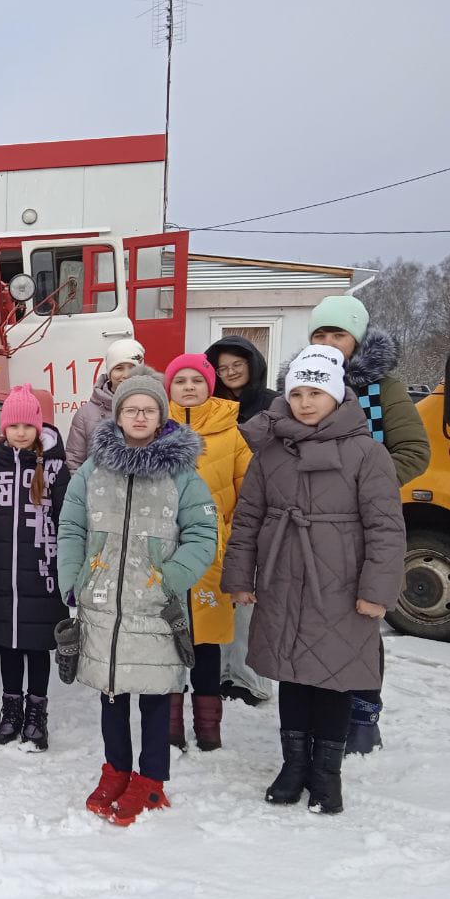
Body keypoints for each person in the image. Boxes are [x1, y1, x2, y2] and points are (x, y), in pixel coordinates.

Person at [223, 345, 405, 813]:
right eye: (297, 392)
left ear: (337, 394)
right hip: (283, 578)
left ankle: (327, 773)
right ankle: (293, 765)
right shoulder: (270, 452)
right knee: (293, 678)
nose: (305, 402)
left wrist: (376, 591)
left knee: (334, 678)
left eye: (316, 392)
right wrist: (241, 576)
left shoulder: (368, 453)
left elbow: (386, 528)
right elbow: (247, 519)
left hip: (342, 586)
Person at [57, 367, 217, 826]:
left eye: (148, 409)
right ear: (119, 415)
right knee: (110, 694)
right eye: (131, 408)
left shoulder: (183, 472)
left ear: (161, 414)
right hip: (103, 600)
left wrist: (173, 577)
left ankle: (151, 781)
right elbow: (71, 526)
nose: (140, 416)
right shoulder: (93, 469)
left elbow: (203, 531)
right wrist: (75, 577)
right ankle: (116, 770)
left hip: (154, 606)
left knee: (152, 697)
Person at [281, 296, 430, 753]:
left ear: (357, 339)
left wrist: (365, 484)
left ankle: (364, 714)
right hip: (307, 528)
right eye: (320, 335)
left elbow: (414, 452)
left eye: (338, 335)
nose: (329, 343)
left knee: (361, 619)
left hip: (363, 525)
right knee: (312, 621)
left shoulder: (383, 388)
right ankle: (314, 716)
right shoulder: (297, 387)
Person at [0, 383, 71, 752]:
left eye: (27, 426)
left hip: (42, 573)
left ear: (38, 427)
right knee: (10, 649)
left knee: (37, 646)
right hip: (4, 575)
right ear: (4, 429)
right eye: (13, 426)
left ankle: (36, 714)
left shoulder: (55, 468)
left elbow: (68, 519)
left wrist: (67, 568)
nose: (19, 432)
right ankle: (11, 711)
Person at [164, 354, 251, 751]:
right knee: (166, 639)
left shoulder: (231, 432)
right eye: (179, 380)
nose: (188, 387)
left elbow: (248, 489)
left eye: (196, 380)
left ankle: (208, 725)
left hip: (211, 556)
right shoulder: (156, 428)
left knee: (206, 642)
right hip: (164, 554)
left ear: (210, 385)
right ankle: (168, 723)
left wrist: (229, 535)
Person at [204, 335, 278, 707]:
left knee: (248, 596)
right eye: (222, 367)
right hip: (219, 508)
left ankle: (248, 677)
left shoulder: (271, 404)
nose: (230, 372)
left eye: (237, 364)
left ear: (252, 364)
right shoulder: (210, 405)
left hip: (258, 506)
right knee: (217, 593)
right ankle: (216, 671)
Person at [65, 339, 145, 471]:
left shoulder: (153, 410)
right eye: (119, 368)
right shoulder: (85, 414)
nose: (126, 375)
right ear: (109, 372)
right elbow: (74, 463)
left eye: (132, 368)